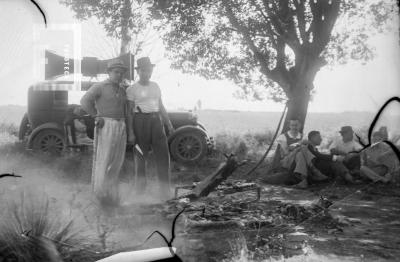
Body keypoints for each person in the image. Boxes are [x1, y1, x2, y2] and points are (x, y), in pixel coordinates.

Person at [80, 59, 128, 202]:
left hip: (121, 125)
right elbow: (84, 101)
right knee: (104, 159)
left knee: (117, 160)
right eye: (116, 72)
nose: (119, 75)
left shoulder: (123, 88)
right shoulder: (99, 86)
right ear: (109, 72)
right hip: (106, 124)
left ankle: (110, 192)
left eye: (121, 73)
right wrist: (96, 116)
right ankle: (99, 194)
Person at [126, 57, 174, 198]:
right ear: (138, 71)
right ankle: (140, 191)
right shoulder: (132, 89)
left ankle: (165, 191)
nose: (147, 73)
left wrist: (169, 124)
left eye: (149, 71)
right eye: (144, 70)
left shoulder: (155, 86)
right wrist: (131, 132)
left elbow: (161, 106)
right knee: (140, 156)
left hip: (156, 122)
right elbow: (129, 113)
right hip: (140, 122)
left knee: (163, 155)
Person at [293, 131, 358, 188]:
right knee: (335, 162)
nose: (321, 139)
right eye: (318, 137)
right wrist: (335, 158)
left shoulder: (314, 149)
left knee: (335, 163)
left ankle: (348, 177)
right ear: (312, 138)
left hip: (317, 168)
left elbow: (319, 155)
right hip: (313, 169)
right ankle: (349, 178)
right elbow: (318, 156)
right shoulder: (307, 147)